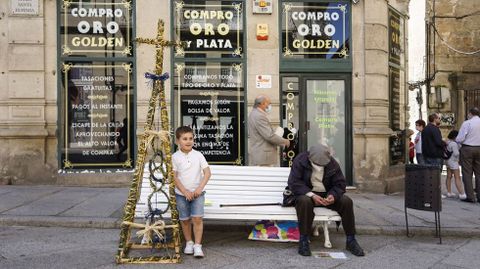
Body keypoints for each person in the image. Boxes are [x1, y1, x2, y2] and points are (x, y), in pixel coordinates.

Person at [288, 144, 365, 257]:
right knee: (304, 202)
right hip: (306, 193)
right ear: (310, 158)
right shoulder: (300, 160)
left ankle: (351, 240)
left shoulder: (332, 163)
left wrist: (333, 195)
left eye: (322, 165)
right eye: (317, 164)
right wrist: (312, 195)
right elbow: (294, 183)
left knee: (347, 202)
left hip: (326, 194)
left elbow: (340, 184)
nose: (320, 167)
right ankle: (304, 240)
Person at [172, 126, 211, 258]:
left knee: (197, 218)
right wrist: (184, 191)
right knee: (185, 219)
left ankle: (197, 245)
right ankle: (189, 242)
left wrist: (199, 188)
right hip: (181, 194)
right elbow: (174, 177)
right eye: (184, 139)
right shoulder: (175, 157)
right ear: (177, 141)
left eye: (191, 138)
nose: (188, 141)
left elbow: (207, 173)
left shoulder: (198, 155)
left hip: (197, 193)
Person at [248, 95, 290, 166]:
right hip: (264, 157)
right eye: (269, 103)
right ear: (262, 104)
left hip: (261, 155)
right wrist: (284, 141)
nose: (270, 106)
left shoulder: (254, 114)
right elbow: (269, 136)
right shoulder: (259, 116)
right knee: (264, 176)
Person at [456, 107, 480, 203]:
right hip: (479, 148)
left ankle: (470, 196)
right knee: (479, 173)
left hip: (467, 148)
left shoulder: (467, 123)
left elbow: (460, 138)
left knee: (467, 173)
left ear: (470, 113)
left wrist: (457, 141)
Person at [443, 130, 466, 199]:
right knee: (457, 177)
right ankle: (461, 193)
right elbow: (456, 153)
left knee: (449, 176)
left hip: (448, 161)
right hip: (454, 161)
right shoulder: (454, 144)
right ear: (455, 136)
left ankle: (449, 192)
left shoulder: (448, 142)